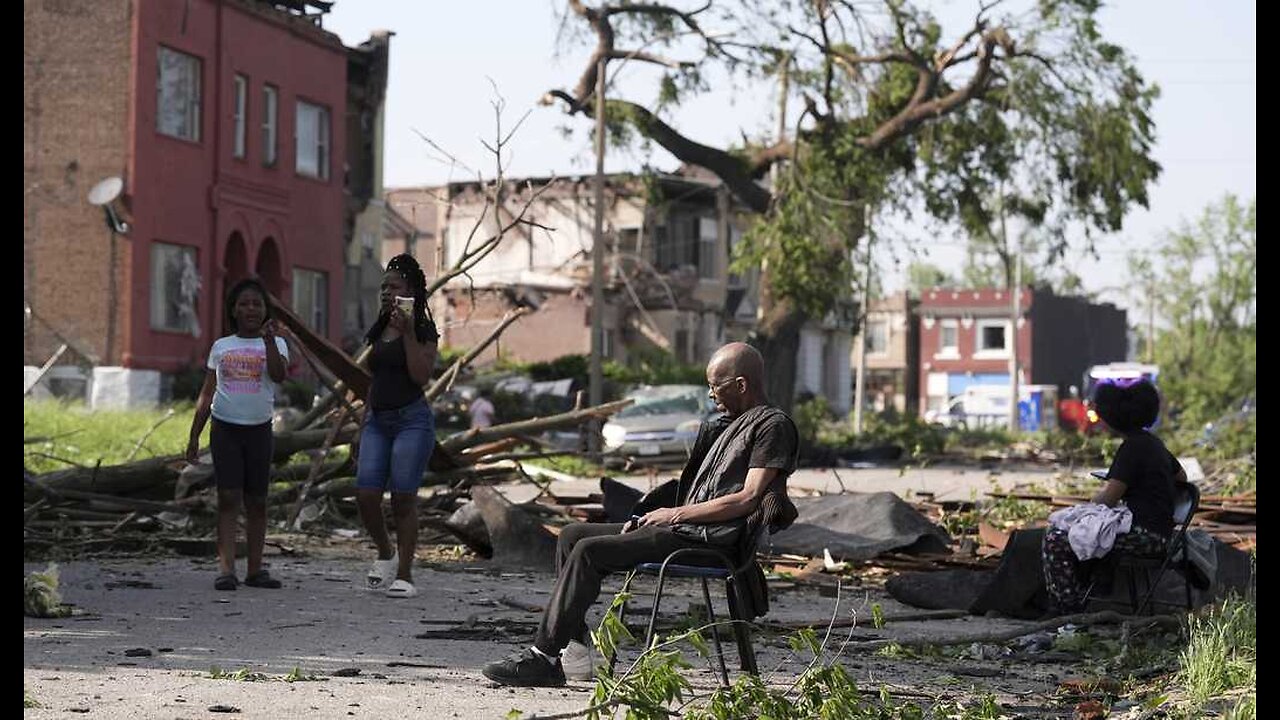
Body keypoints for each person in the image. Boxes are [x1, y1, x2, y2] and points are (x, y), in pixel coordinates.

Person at [481, 342, 799, 687]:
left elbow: (748, 499)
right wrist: (653, 516)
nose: (710, 395)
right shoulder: (729, 423)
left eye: (715, 386)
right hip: (689, 528)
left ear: (741, 384)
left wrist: (674, 514)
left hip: (711, 539)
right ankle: (574, 650)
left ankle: (542, 657)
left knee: (590, 552)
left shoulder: (772, 426)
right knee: (573, 535)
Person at [1041, 379, 1184, 611]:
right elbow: (1183, 478)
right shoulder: (1154, 444)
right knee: (1086, 534)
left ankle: (1066, 609)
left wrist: (1088, 504)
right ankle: (1085, 597)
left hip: (1145, 537)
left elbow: (1109, 499)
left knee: (1056, 538)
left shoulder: (1131, 449)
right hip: (1162, 532)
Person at [186, 278, 289, 591]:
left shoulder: (277, 343)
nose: (250, 309)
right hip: (225, 428)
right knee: (228, 497)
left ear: (265, 310)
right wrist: (194, 435)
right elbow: (206, 394)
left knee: (257, 500)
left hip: (259, 430)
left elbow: (279, 375)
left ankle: (255, 570)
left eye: (256, 304)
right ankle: (226, 569)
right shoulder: (222, 346)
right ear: (233, 310)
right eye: (244, 303)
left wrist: (270, 341)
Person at [356, 254, 439, 599]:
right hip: (378, 420)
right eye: (384, 287)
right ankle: (386, 553)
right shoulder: (379, 326)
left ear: (412, 292)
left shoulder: (423, 329)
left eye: (395, 287)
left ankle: (405, 574)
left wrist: (406, 333)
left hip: (412, 421)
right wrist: (365, 416)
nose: (387, 292)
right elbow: (374, 375)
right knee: (365, 495)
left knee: (403, 499)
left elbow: (420, 375)